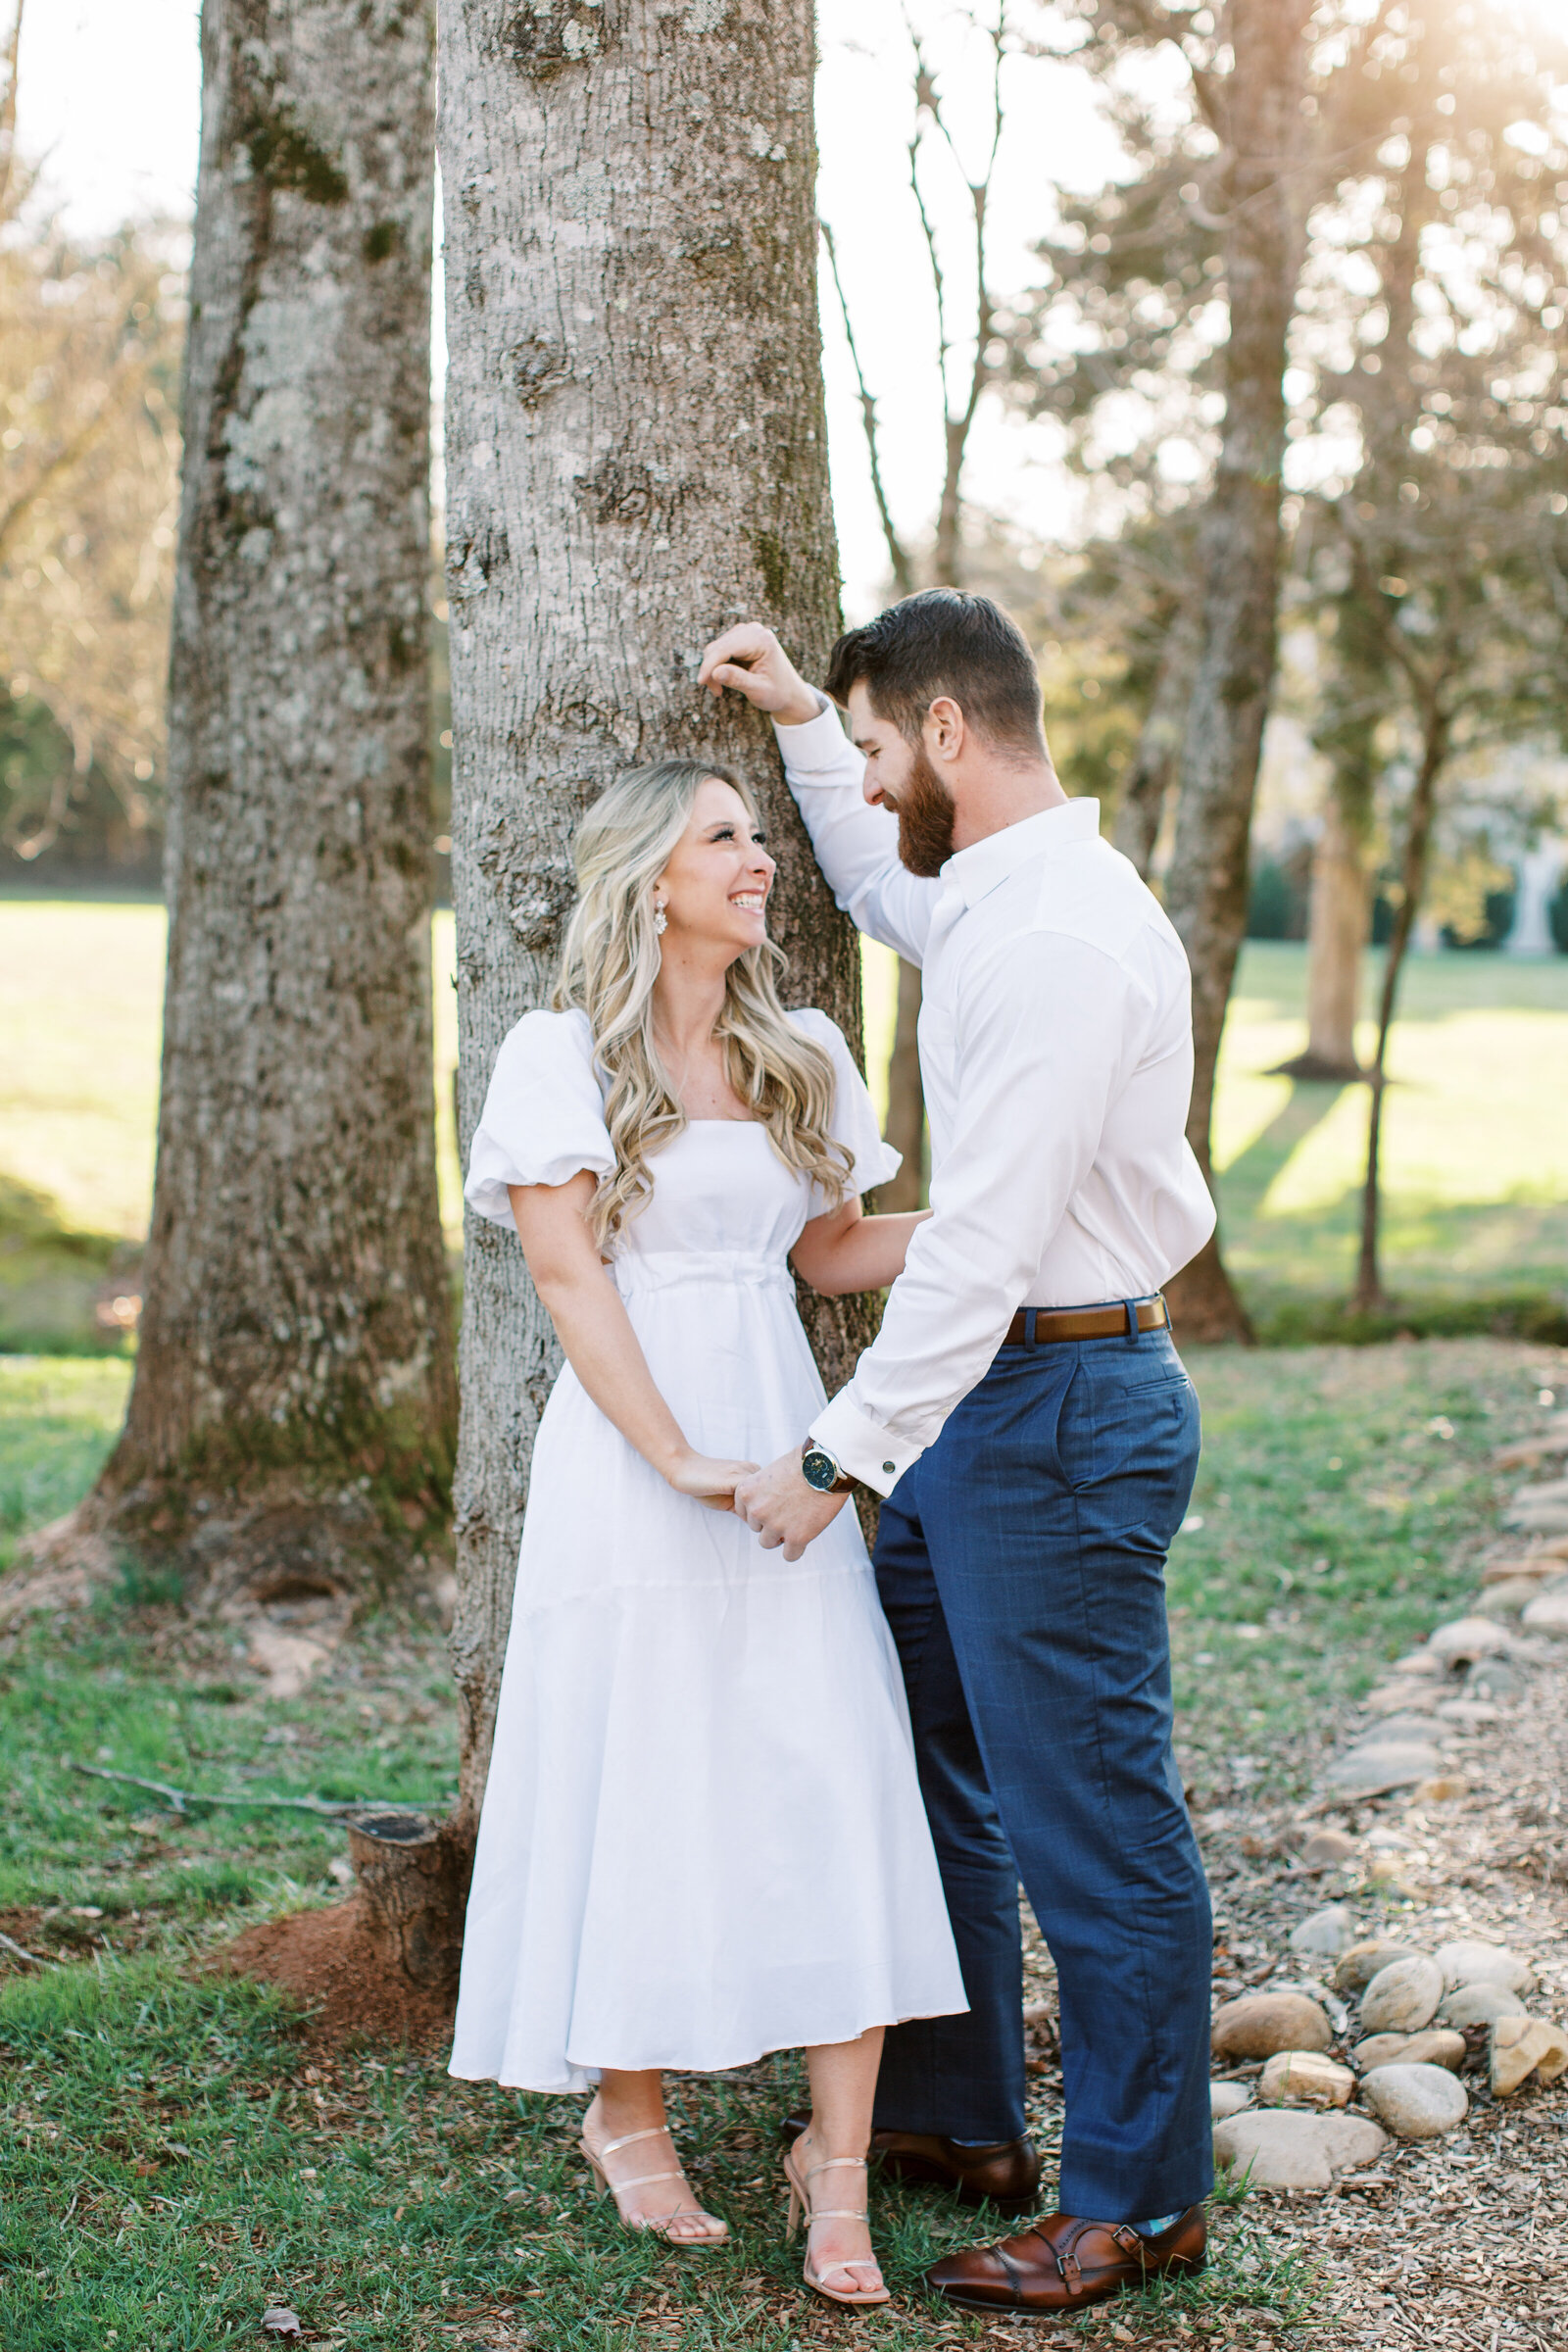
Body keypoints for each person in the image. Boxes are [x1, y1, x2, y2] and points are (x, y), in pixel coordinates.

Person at [698, 591, 1219, 2320]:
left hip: (1059, 1408)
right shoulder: (995, 894)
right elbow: (880, 881)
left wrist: (836, 1460)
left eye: (866, 745)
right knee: (931, 1765)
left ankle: (1137, 2203)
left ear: (942, 733)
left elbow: (986, 1244)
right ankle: (955, 2118)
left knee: (1093, 1821)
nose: (857, 776)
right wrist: (793, 721)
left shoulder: (1068, 937)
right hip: (990, 1406)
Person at [446, 755, 967, 2310]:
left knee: (832, 1755)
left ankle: (838, 2164)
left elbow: (827, 1254)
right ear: (648, 876)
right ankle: (629, 2102)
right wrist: (673, 1454)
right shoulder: (556, 1056)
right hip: (634, 1450)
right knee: (646, 1756)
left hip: (790, 1429)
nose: (759, 862)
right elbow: (567, 1276)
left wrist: (992, 1222)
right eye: (725, 838)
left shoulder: (800, 1047)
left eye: (758, 835)